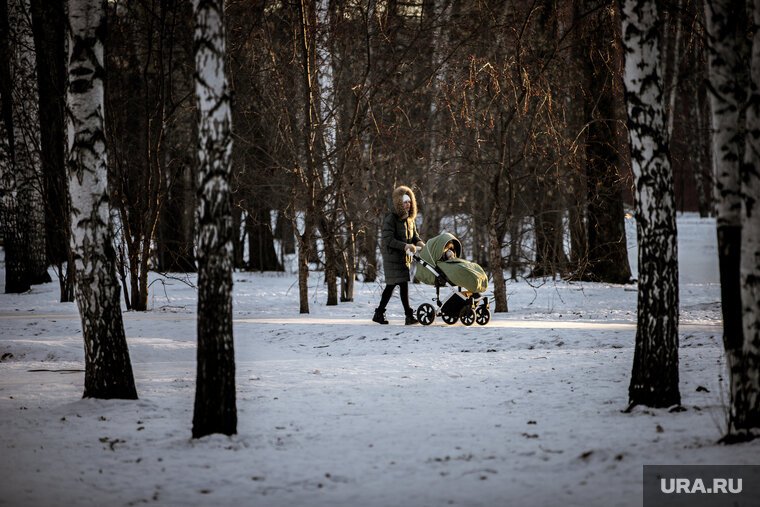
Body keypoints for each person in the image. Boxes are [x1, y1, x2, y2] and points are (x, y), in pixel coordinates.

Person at [373, 185, 425, 325]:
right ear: (399, 203)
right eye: (405, 202)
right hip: (392, 258)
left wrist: (420, 243)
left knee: (394, 286)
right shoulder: (392, 219)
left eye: (409, 202)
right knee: (398, 285)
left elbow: (414, 236)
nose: (408, 204)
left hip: (403, 258)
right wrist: (405, 246)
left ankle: (379, 313)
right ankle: (408, 315)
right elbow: (388, 239)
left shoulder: (410, 219)